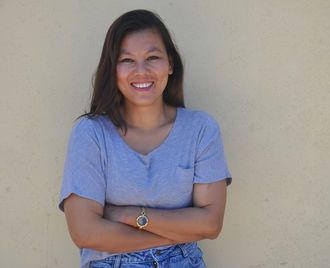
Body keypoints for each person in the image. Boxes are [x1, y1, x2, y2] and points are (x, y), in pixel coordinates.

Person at [58, 9, 232, 268]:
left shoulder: (200, 129)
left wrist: (129, 214)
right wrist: (176, 232)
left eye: (152, 57)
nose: (141, 70)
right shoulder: (91, 133)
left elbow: (210, 224)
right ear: (112, 68)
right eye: (127, 60)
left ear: (170, 63)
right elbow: (85, 233)